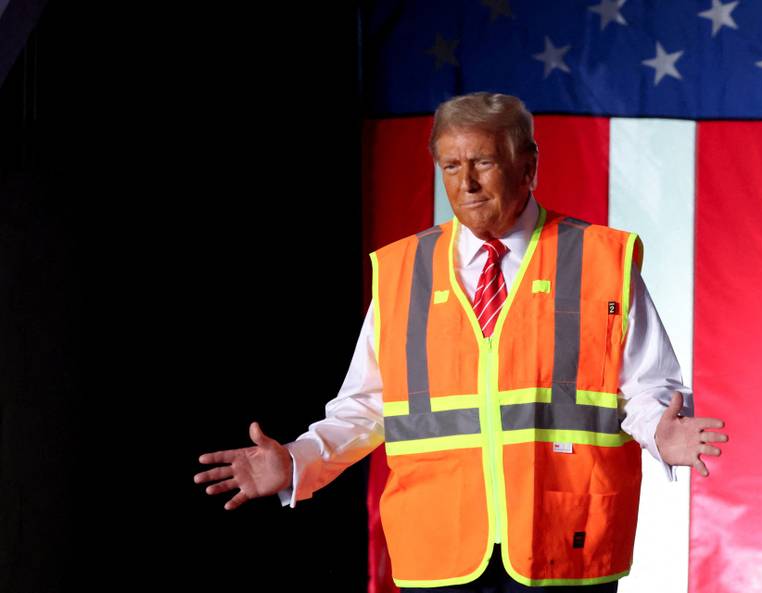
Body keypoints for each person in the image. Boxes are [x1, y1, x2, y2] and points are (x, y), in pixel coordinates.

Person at [193, 92, 728, 592]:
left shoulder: (599, 261)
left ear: (529, 165)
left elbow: (647, 385)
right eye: (451, 166)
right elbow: (365, 406)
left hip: (566, 542)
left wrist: (662, 431)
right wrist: (296, 460)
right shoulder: (403, 272)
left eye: (484, 163)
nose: (466, 183)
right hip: (438, 550)